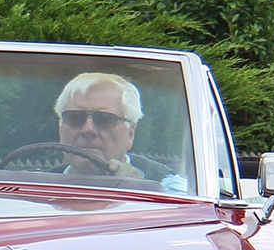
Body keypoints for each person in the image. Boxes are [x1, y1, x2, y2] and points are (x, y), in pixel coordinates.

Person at [55, 72, 189, 193]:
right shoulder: (38, 186)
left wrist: (139, 193)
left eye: (105, 119)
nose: (88, 129)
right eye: (74, 118)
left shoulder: (168, 189)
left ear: (130, 133)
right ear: (60, 128)